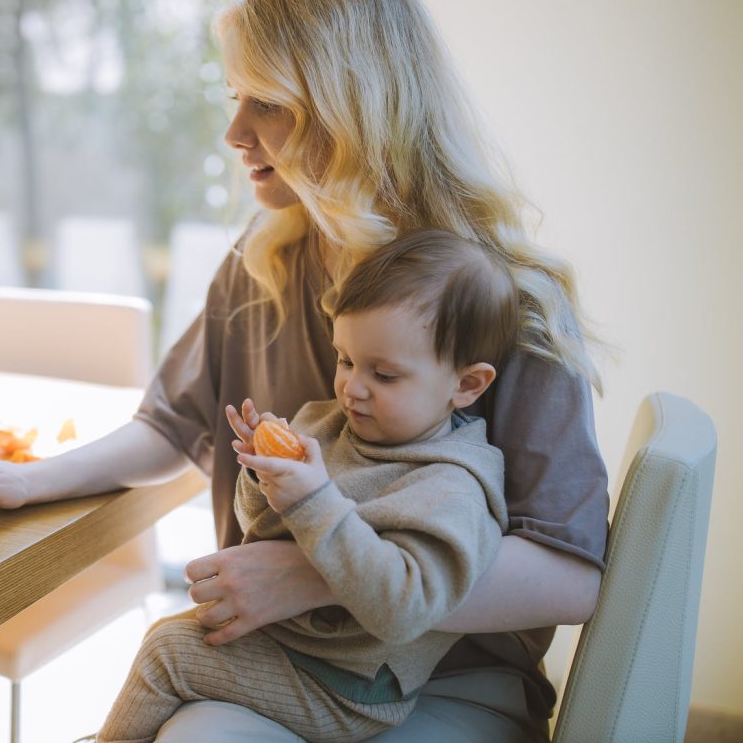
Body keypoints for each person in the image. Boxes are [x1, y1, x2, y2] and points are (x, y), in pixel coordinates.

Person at [0, 0, 607, 741]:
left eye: (268, 104)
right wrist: (31, 478)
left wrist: (317, 573)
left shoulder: (505, 300)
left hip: (447, 681)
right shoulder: (265, 259)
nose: (234, 133)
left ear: (351, 108)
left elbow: (569, 576)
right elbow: (172, 424)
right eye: (235, 99)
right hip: (285, 654)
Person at [96, 229, 517, 743]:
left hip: (348, 687)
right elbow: (263, 529)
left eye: (384, 375)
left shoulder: (452, 485)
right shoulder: (329, 423)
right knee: (172, 638)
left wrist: (314, 501)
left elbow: (405, 608)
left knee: (167, 655)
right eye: (345, 360)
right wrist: (264, 474)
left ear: (467, 384)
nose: (351, 388)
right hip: (293, 647)